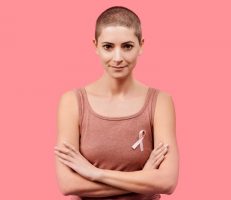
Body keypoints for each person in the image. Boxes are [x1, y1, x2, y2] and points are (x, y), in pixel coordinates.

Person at [54, 6, 179, 200]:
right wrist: (144, 180)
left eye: (127, 46)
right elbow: (68, 184)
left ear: (141, 45)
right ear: (95, 46)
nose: (118, 58)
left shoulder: (160, 102)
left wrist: (95, 173)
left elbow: (167, 182)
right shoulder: (72, 102)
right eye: (108, 47)